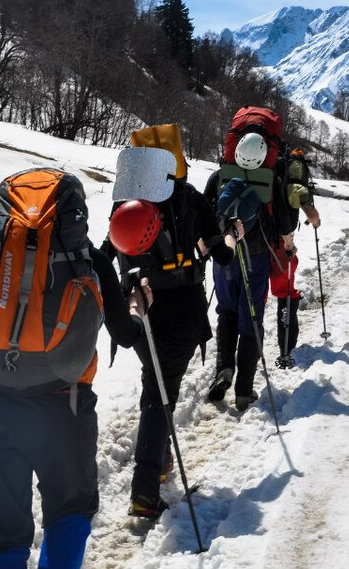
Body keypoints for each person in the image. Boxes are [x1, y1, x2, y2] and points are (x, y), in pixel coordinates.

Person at [0, 175, 137, 569]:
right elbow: (126, 336)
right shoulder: (90, 263)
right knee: (68, 512)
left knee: (3, 530)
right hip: (65, 407)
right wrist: (135, 304)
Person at [106, 130, 238, 519]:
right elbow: (224, 257)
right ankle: (145, 491)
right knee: (159, 397)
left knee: (156, 384)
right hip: (183, 310)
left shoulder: (126, 203)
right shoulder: (189, 199)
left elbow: (113, 249)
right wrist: (231, 236)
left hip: (143, 308)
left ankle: (159, 465)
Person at [204, 129, 297, 410]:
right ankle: (244, 389)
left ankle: (224, 369)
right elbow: (285, 224)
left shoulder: (219, 176)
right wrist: (289, 245)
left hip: (224, 256)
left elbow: (205, 213)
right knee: (252, 316)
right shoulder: (271, 180)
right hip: (255, 255)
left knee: (226, 312)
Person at [271, 147, 321, 368]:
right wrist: (316, 221)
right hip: (281, 242)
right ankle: (286, 350)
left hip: (255, 236)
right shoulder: (293, 180)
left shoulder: (271, 172)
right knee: (285, 292)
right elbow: (308, 210)